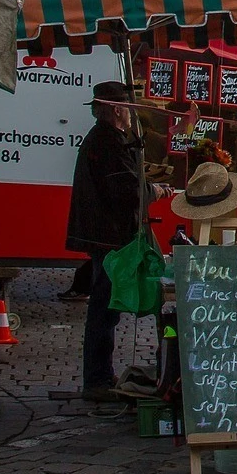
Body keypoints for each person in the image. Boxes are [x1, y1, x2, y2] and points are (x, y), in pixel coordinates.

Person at [67, 81, 143, 402]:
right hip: (107, 236)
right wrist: (151, 190)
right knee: (103, 309)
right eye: (127, 108)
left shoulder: (109, 139)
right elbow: (124, 190)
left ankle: (100, 376)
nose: (131, 115)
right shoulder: (106, 142)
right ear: (116, 109)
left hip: (104, 234)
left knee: (105, 308)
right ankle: (97, 379)